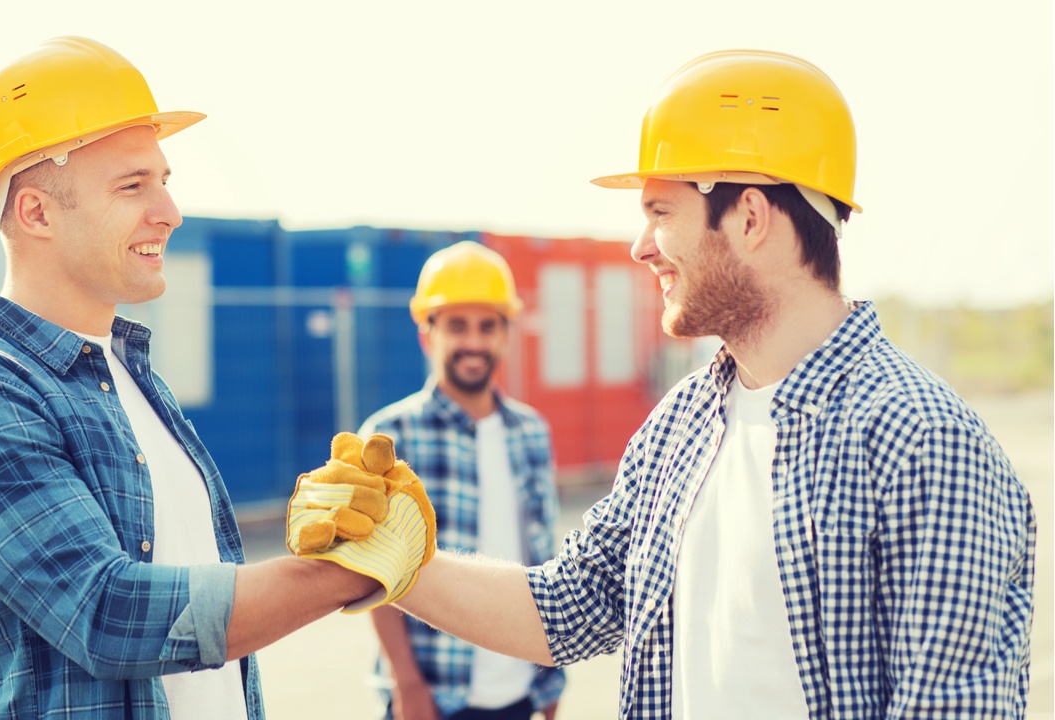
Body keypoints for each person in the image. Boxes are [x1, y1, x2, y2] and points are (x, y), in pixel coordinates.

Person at [299, 50, 1037, 718]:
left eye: (660, 211)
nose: (639, 245)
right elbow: (568, 607)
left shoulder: (925, 445)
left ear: (749, 216)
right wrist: (404, 560)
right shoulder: (684, 423)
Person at [0, 36, 429, 720]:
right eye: (132, 185)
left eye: (164, 181)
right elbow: (109, 615)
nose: (169, 212)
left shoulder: (132, 380)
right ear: (36, 212)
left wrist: (318, 540)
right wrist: (349, 569)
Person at [359, 242, 566, 720]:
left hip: (521, 692)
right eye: (456, 326)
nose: (474, 341)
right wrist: (406, 684)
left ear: (506, 335)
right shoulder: (390, 436)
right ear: (427, 336)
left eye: (487, 326)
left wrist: (551, 678)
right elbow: (375, 571)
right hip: (434, 697)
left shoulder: (533, 432)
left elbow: (543, 557)